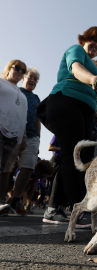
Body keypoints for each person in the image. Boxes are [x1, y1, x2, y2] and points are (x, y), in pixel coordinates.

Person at [42, 26, 97, 224]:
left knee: (82, 160)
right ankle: (68, 209)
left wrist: (96, 114)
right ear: (84, 39)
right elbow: (75, 69)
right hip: (66, 102)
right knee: (73, 156)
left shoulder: (93, 66)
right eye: (94, 40)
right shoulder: (77, 51)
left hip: (83, 112)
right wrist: (92, 78)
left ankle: (62, 208)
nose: (96, 45)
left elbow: (88, 95)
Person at [7, 68, 41, 215]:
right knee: (6, 167)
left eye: (36, 79)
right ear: (23, 78)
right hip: (14, 134)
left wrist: (38, 138)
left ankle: (15, 200)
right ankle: (3, 198)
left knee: (27, 169)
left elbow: (38, 119)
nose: (32, 80)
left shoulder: (37, 98)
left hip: (33, 137)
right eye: (30, 77)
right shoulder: (15, 91)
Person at [0, 60, 28, 213]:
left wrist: (22, 137)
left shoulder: (22, 96)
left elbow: (23, 118)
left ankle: (1, 200)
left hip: (13, 137)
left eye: (23, 71)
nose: (19, 72)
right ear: (9, 68)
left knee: (6, 171)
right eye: (17, 68)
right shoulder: (1, 83)